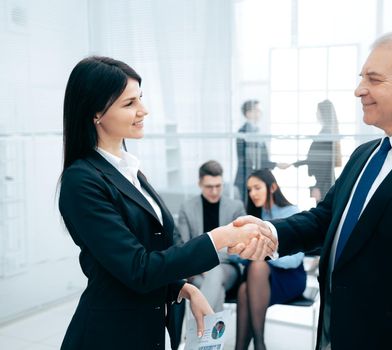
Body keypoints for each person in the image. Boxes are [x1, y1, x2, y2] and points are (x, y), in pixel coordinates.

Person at [232, 30, 392, 350]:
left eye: (374, 80)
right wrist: (271, 233)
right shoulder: (365, 155)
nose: (360, 90)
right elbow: (325, 219)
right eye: (362, 78)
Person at [58, 56, 273, 350]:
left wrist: (184, 289)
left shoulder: (130, 170)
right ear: (96, 112)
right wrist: (220, 237)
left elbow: (150, 249)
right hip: (109, 333)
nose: (143, 110)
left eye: (141, 99)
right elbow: (138, 268)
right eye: (129, 103)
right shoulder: (81, 181)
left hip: (147, 326)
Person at [235, 169, 306, 350]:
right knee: (244, 290)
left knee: (258, 265)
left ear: (272, 187)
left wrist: (263, 255)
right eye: (250, 190)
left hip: (290, 277)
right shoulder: (254, 216)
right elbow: (247, 260)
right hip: (260, 280)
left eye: (257, 188)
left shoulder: (292, 211)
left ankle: (259, 344)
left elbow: (294, 261)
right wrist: (239, 252)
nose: (252, 194)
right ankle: (246, 346)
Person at [176, 160, 246, 311]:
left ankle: (197, 331)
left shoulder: (236, 208)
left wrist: (206, 261)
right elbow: (184, 248)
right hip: (197, 272)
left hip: (228, 269)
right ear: (200, 184)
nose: (214, 191)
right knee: (211, 287)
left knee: (214, 273)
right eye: (209, 187)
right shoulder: (187, 209)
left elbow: (241, 247)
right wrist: (200, 266)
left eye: (218, 186)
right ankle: (209, 333)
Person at [234, 100, 289, 201]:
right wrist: (276, 165)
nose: (260, 113)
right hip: (247, 179)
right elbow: (254, 161)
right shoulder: (245, 133)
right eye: (258, 110)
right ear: (248, 113)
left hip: (254, 178)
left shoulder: (254, 131)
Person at [293, 99, 342, 202]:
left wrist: (318, 187)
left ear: (323, 114)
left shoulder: (326, 135)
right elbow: (315, 159)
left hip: (323, 183)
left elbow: (324, 164)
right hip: (324, 181)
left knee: (322, 214)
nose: (316, 114)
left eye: (318, 111)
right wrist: (295, 164)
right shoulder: (326, 133)